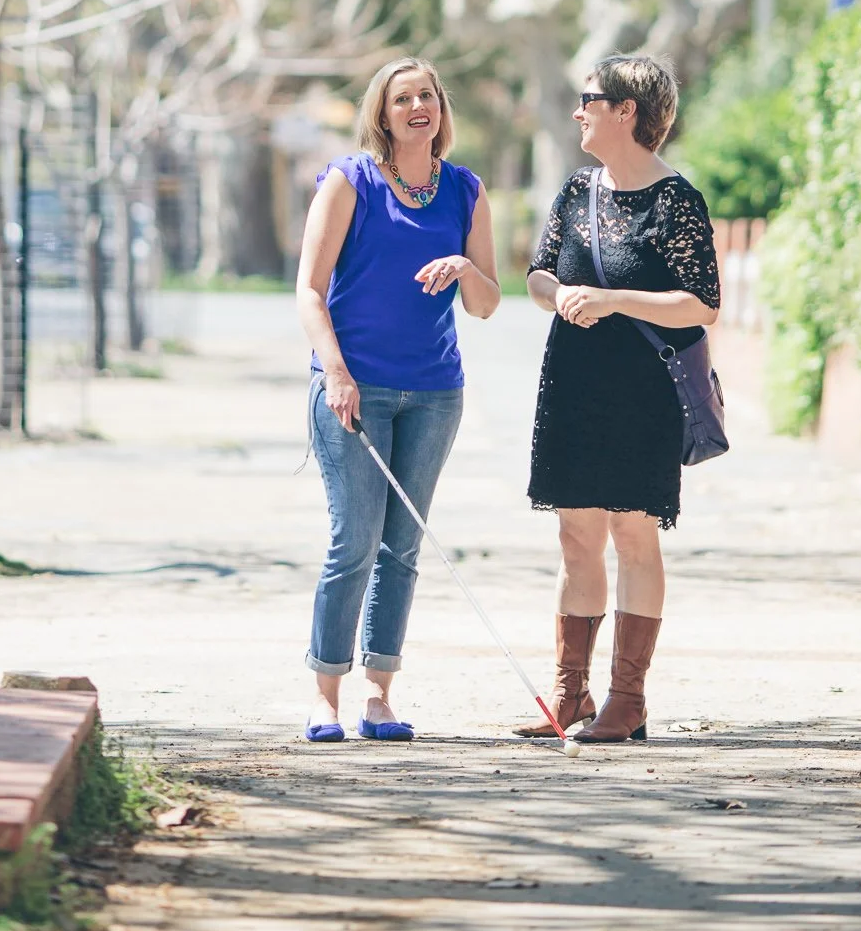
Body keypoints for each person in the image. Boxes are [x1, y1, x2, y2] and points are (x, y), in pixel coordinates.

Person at [515, 52, 720, 744]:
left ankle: (626, 699)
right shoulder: (577, 190)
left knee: (632, 533)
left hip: (643, 389)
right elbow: (539, 274)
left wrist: (612, 299)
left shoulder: (676, 200)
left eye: (590, 100)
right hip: (573, 380)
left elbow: (701, 305)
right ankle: (569, 692)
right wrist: (560, 296)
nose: (579, 111)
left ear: (626, 111)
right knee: (576, 534)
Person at [297, 55, 499, 742]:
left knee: (402, 547)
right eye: (403, 98)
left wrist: (466, 267)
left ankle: (379, 697)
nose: (418, 107)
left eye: (428, 96)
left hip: (435, 393)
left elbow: (485, 306)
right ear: (381, 113)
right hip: (354, 389)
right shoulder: (349, 180)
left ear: (442, 109)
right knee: (353, 542)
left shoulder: (465, 191)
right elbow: (309, 290)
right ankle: (324, 696)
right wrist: (335, 372)